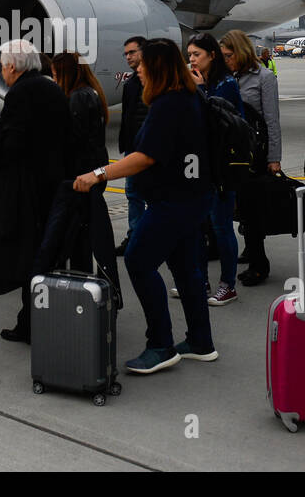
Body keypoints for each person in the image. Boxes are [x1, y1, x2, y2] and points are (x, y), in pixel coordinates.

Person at [74, 39, 215, 374]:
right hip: (194, 197)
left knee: (138, 261)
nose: (136, 69)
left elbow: (144, 157)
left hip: (173, 201)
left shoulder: (168, 104)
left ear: (158, 67)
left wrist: (98, 174)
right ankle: (200, 341)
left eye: (141, 64)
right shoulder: (192, 97)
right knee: (185, 269)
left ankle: (160, 345)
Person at [0, 40, 69, 343]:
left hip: (26, 187)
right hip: (51, 183)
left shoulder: (20, 93)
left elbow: (13, 143)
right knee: (44, 253)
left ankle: (30, 322)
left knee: (27, 254)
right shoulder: (51, 86)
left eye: (2, 66)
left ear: (12, 66)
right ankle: (37, 317)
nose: (2, 72)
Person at [220, 30, 282, 286]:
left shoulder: (264, 78)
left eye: (228, 55)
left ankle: (259, 264)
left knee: (253, 208)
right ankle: (250, 250)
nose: (225, 60)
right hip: (233, 152)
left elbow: (271, 119)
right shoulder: (228, 76)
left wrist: (274, 157)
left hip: (256, 153)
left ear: (240, 52)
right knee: (241, 208)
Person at [186, 32, 244, 307]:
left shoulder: (226, 84)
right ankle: (200, 281)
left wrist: (198, 90)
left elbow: (215, 121)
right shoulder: (205, 81)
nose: (192, 60)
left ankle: (227, 284)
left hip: (221, 165)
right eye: (189, 56)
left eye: (196, 55)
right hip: (201, 164)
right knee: (198, 225)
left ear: (212, 55)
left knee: (221, 227)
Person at [50, 52, 112, 274]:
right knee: (82, 232)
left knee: (75, 233)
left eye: (56, 74)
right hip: (94, 167)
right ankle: (81, 272)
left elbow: (73, 140)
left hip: (80, 173)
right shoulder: (92, 92)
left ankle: (77, 275)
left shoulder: (77, 97)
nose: (54, 79)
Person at [117, 37, 149, 255]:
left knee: (152, 196)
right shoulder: (130, 84)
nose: (128, 57)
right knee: (133, 194)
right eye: (126, 54)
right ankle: (135, 237)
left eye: (132, 52)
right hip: (133, 148)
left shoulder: (155, 81)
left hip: (149, 150)